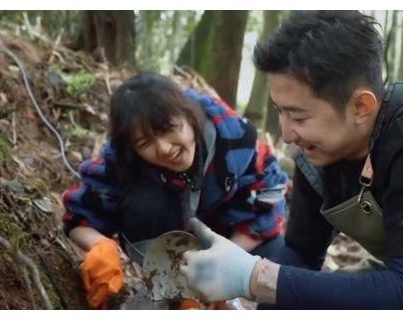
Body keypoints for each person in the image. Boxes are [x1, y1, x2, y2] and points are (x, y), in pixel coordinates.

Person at [180, 10, 403, 309]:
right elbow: (301, 255)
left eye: (298, 116)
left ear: (360, 107)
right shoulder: (320, 152)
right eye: (280, 111)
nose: (286, 134)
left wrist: (256, 277)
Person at [61, 72, 289, 309]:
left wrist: (222, 267)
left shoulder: (235, 137)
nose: (164, 149)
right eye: (144, 143)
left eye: (167, 128)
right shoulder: (123, 158)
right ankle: (173, 294)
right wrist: (100, 245)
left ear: (189, 115)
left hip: (229, 235)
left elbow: (268, 207)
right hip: (168, 238)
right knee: (146, 204)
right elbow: (78, 215)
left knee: (283, 256)